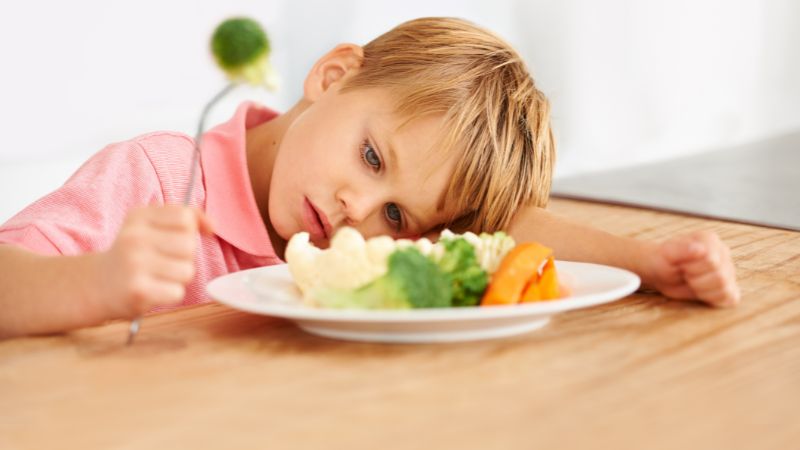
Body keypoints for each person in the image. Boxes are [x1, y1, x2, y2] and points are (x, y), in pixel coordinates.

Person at [0, 17, 739, 338]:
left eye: (397, 218)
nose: (360, 210)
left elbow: (496, 233)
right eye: (373, 158)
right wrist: (97, 282)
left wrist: (647, 264)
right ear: (334, 75)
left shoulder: (374, 246)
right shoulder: (162, 175)